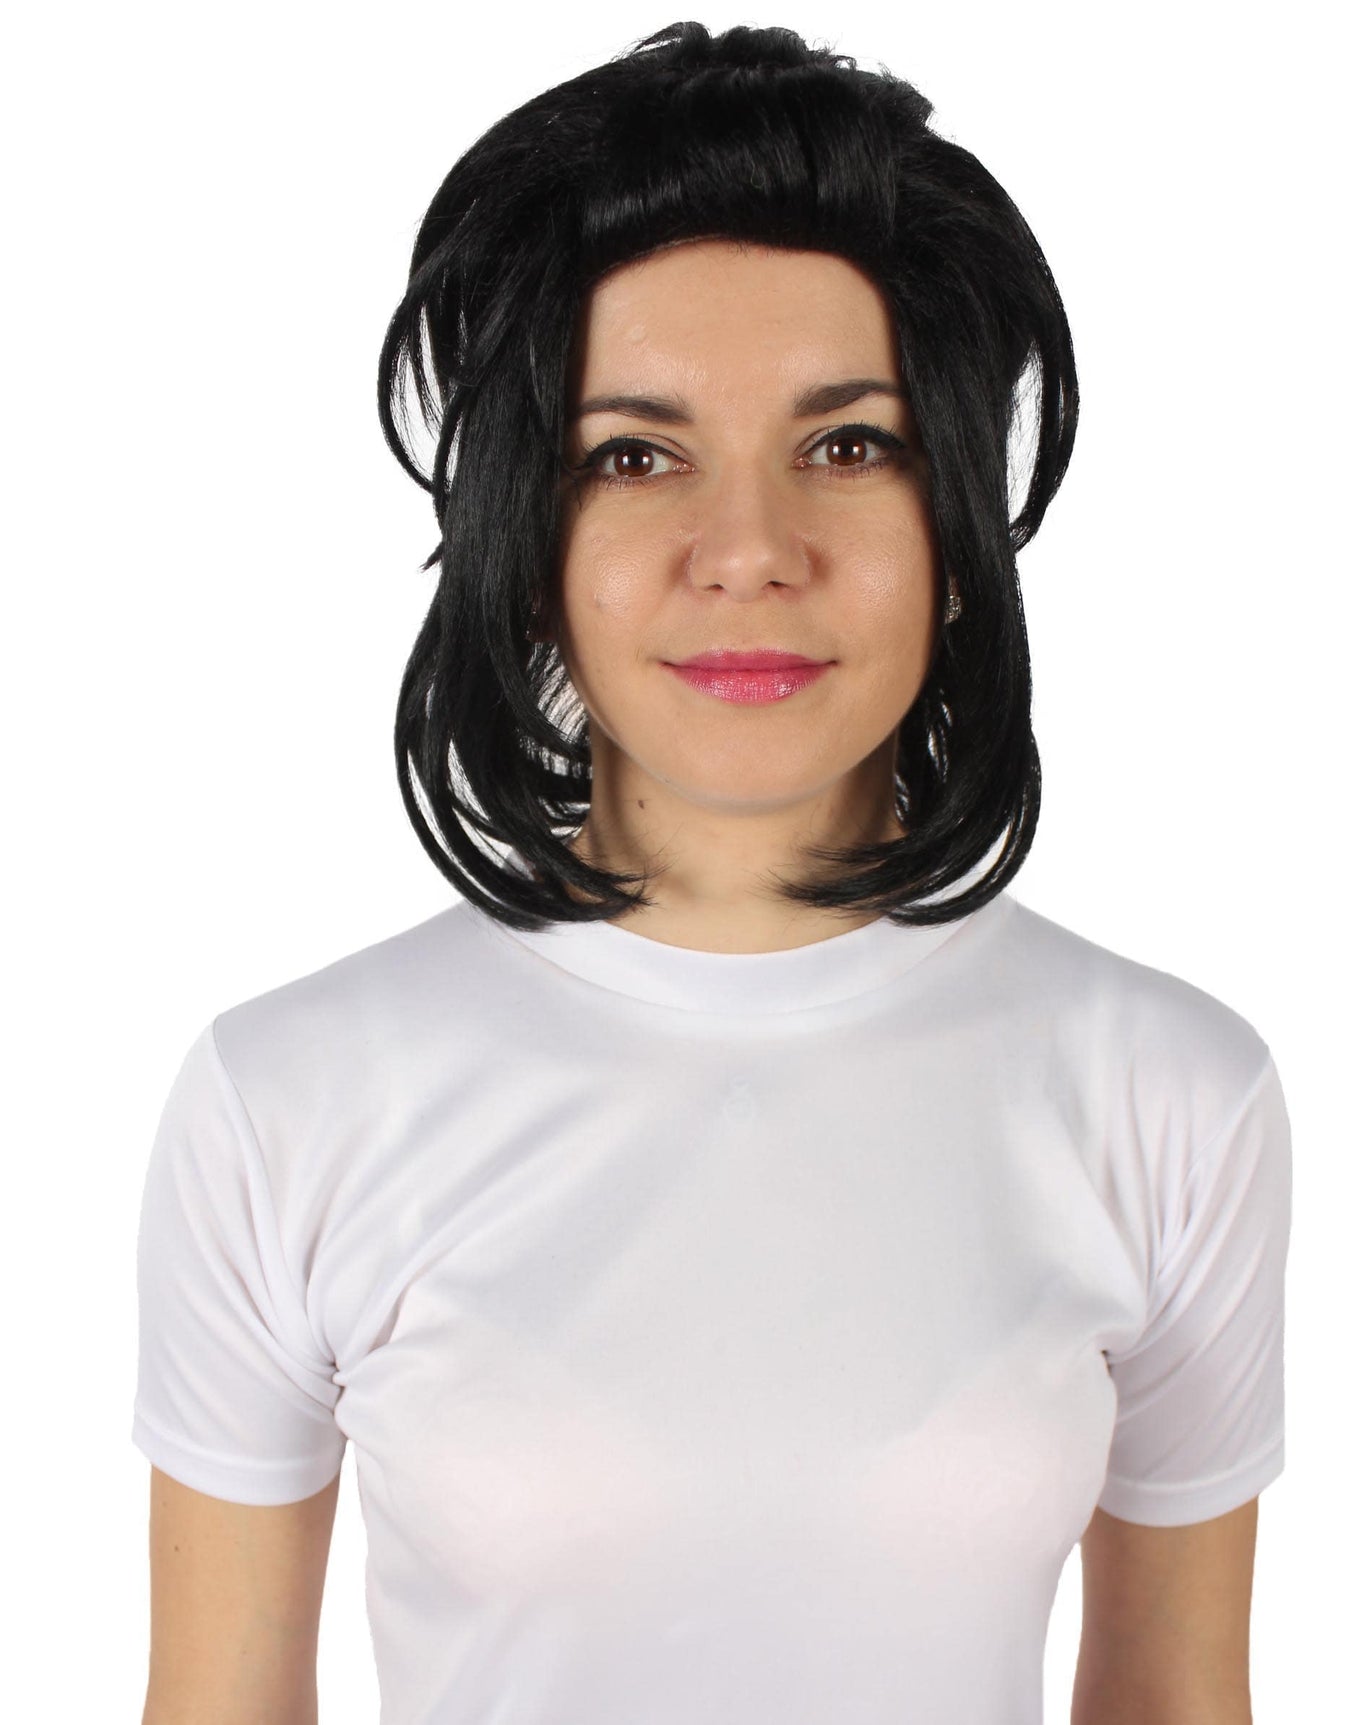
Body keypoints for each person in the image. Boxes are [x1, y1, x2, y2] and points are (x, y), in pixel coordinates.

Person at [133, 20, 1292, 1725]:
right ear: (527, 541)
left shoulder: (1169, 1094)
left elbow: (1174, 1700)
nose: (748, 551)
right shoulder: (288, 1099)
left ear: (956, 527)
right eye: (633, 453)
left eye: (848, 444)